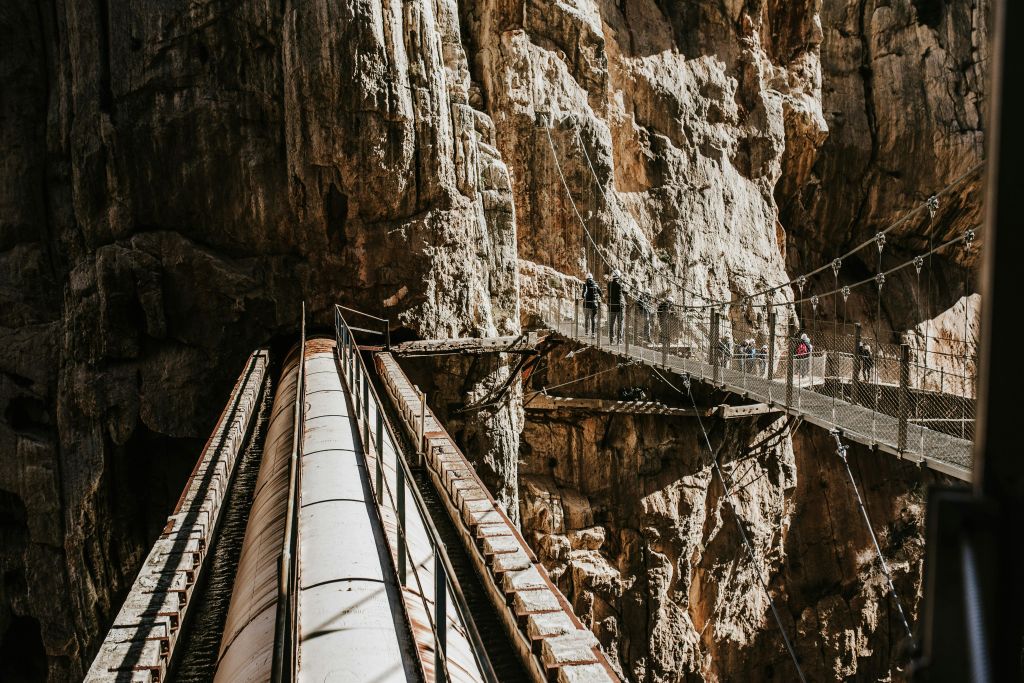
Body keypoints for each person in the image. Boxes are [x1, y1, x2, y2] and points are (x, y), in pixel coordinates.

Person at [607, 269, 626, 344]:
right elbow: (626, 291)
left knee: (611, 324)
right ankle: (619, 340)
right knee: (620, 324)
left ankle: (611, 340)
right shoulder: (621, 285)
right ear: (619, 276)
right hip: (619, 307)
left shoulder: (609, 284)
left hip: (611, 306)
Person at [581, 272, 601, 337]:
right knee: (593, 319)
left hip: (586, 304)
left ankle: (586, 333)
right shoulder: (596, 284)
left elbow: (583, 295)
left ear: (586, 278)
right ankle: (593, 334)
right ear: (592, 278)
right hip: (594, 304)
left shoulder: (585, 284)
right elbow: (600, 293)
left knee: (586, 318)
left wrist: (584, 297)